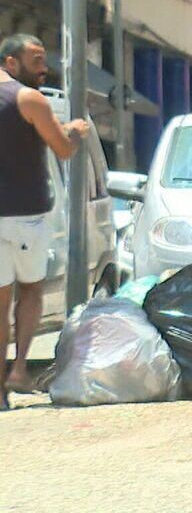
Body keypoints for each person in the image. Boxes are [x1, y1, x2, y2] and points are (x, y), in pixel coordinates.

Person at [0, 34, 90, 411]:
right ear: (10, 62)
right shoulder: (28, 99)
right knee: (31, 291)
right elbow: (63, 148)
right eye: (35, 59)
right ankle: (19, 369)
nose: (43, 67)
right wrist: (75, 131)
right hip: (26, 216)